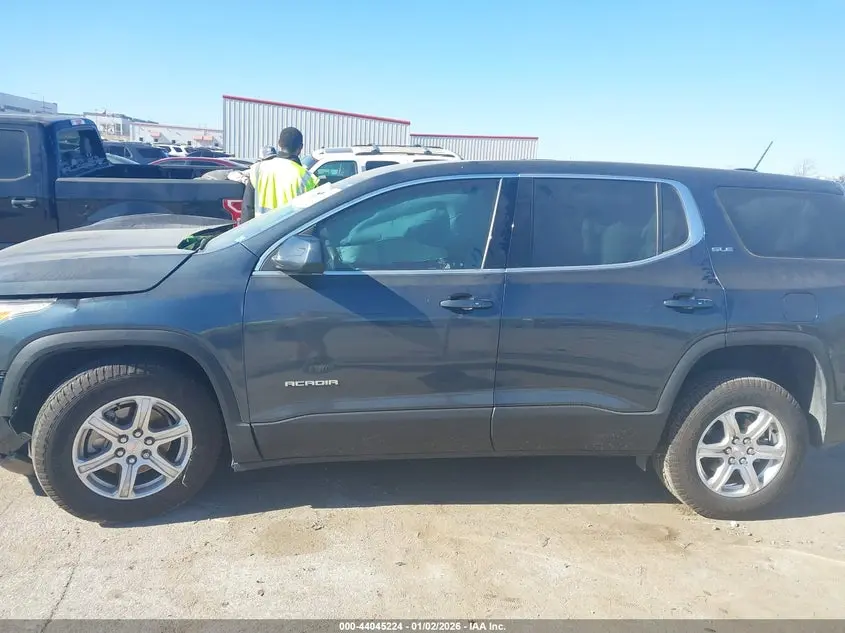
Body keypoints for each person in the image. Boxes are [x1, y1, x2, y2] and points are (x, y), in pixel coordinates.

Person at [240, 127, 319, 223]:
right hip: (289, 235)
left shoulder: (258, 169)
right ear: (300, 147)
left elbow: (247, 210)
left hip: (260, 233)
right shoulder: (307, 178)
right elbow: (313, 216)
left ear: (279, 144)